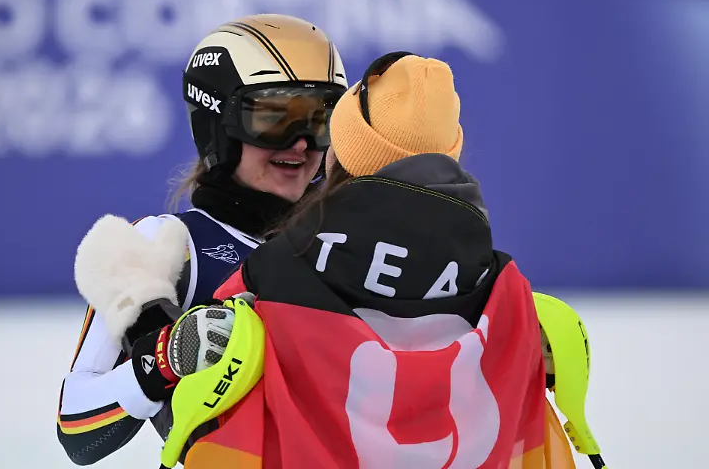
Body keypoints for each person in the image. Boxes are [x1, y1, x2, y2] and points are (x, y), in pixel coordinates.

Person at [174, 52, 580, 468]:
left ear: (348, 152)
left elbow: (208, 363)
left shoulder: (276, 266)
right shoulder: (501, 287)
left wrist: (161, 355)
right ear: (450, 154)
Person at [56, 13, 348, 465]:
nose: (302, 145)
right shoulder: (162, 248)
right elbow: (76, 425)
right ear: (219, 124)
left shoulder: (346, 242)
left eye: (320, 119)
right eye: (274, 118)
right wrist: (168, 356)